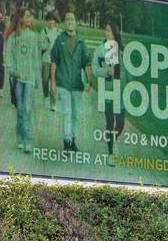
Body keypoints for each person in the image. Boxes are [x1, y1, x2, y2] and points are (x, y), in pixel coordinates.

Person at [48, 12, 93, 151]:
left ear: (75, 22)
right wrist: (53, 83)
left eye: (72, 19)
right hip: (63, 83)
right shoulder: (59, 40)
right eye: (67, 19)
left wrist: (89, 81)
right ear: (64, 22)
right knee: (67, 112)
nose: (69, 21)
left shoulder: (81, 41)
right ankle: (66, 141)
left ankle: (73, 139)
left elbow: (87, 63)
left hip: (77, 85)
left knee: (75, 114)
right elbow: (54, 62)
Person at [3, 8, 42, 153]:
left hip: (30, 79)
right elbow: (9, 56)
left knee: (27, 109)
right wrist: (13, 71)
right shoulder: (14, 36)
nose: (29, 17)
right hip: (18, 79)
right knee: (20, 110)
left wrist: (37, 78)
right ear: (20, 18)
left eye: (30, 15)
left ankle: (28, 141)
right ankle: (19, 138)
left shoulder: (33, 36)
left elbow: (36, 58)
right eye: (26, 15)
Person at [92, 21, 125, 155]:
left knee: (121, 124)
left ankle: (113, 139)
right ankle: (111, 152)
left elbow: (126, 71)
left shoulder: (121, 50)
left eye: (111, 31)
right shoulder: (100, 50)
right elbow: (95, 69)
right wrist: (106, 72)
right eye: (106, 30)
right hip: (106, 91)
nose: (108, 34)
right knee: (110, 123)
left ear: (115, 33)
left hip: (120, 91)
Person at [42, 14, 60, 111]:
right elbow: (41, 46)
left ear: (55, 21)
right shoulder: (43, 31)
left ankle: (54, 103)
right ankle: (45, 96)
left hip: (55, 62)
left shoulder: (59, 32)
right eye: (48, 20)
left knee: (54, 82)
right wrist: (45, 43)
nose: (50, 22)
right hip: (45, 59)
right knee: (45, 79)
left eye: (52, 20)